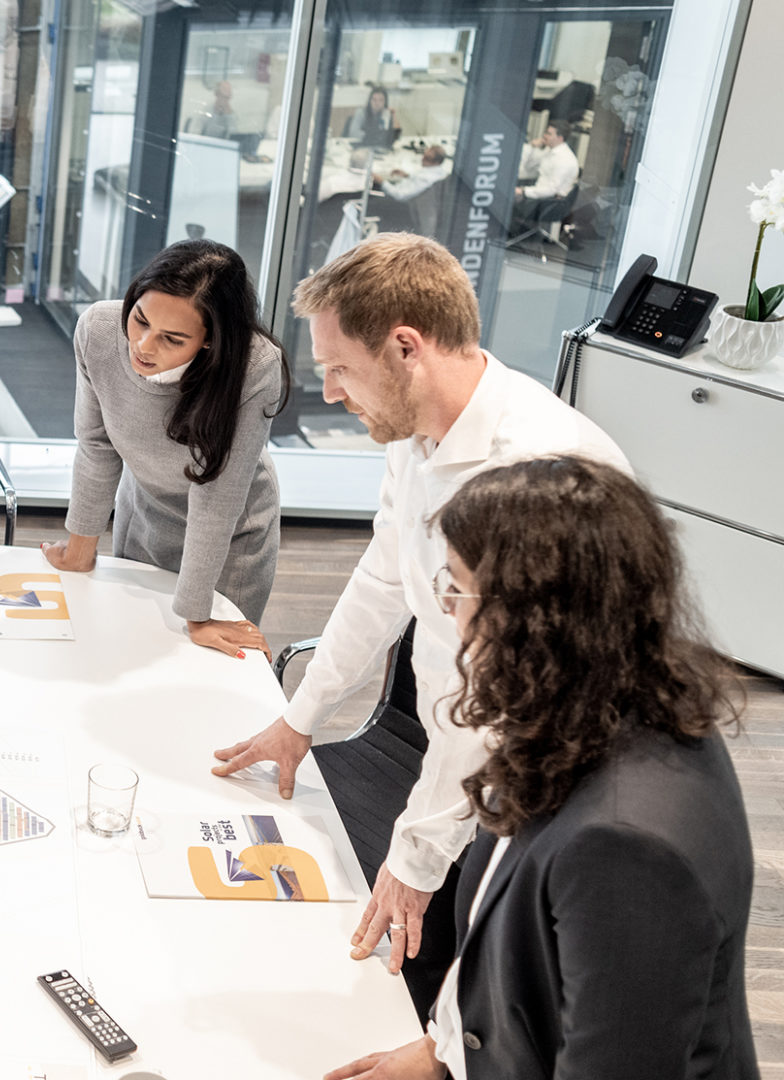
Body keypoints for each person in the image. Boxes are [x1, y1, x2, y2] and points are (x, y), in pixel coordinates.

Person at [207, 233, 627, 1016]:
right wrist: (302, 718)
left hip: (545, 792)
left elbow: (493, 702)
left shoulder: (534, 472)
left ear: (406, 348)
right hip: (448, 739)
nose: (329, 392)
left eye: (339, 368)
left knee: (443, 992)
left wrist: (417, 857)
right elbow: (383, 578)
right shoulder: (416, 434)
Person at [326, 456, 754, 1080]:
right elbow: (508, 949)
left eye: (458, 586)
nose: (447, 609)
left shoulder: (626, 846)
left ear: (532, 617)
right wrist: (439, 1049)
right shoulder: (580, 707)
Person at [41, 240, 290, 659]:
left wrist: (198, 615)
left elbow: (218, 495)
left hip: (230, 539)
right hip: (144, 513)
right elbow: (97, 445)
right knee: (124, 649)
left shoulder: (254, 367)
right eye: (140, 320)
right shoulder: (99, 330)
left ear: (211, 341)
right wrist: (80, 550)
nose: (143, 346)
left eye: (172, 339)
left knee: (200, 668)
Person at [511, 122, 578, 230]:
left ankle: (504, 234)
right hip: (541, 197)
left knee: (506, 198)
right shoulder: (550, 152)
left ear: (559, 138)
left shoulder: (564, 159)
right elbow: (528, 167)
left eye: (548, 133)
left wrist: (523, 191)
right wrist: (532, 147)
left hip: (548, 203)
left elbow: (551, 190)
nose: (544, 136)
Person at [378, 144, 449, 202]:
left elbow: (400, 195)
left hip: (397, 203)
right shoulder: (439, 172)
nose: (422, 159)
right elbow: (418, 180)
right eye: (424, 155)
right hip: (400, 193)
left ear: (437, 162)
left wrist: (381, 182)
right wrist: (407, 175)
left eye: (427, 158)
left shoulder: (425, 179)